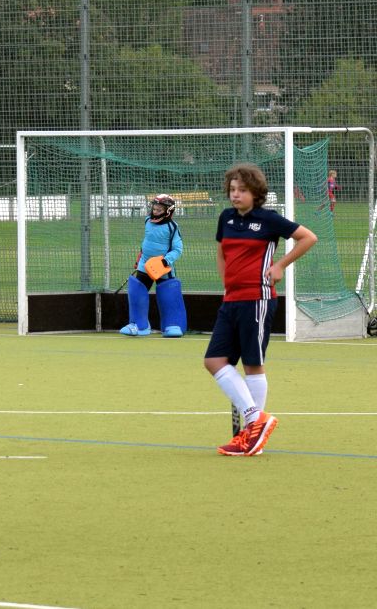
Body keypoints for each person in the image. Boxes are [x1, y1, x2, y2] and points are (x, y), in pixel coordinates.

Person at [205, 163, 317, 456]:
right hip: (231, 300)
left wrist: (280, 266)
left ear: (256, 193)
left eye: (242, 190)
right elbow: (221, 252)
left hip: (257, 299)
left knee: (252, 364)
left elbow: (308, 237)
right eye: (232, 190)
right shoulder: (226, 218)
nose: (235, 195)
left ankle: (251, 434)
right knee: (214, 360)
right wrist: (226, 285)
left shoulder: (268, 219)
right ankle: (257, 420)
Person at [119, 194, 187, 338]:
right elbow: (147, 242)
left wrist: (166, 261)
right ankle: (139, 325)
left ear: (168, 211)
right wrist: (140, 257)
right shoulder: (147, 221)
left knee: (168, 293)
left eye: (159, 209)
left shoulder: (172, 227)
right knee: (137, 290)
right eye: (154, 208)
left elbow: (177, 249)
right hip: (144, 264)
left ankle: (172, 324)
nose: (155, 211)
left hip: (163, 267)